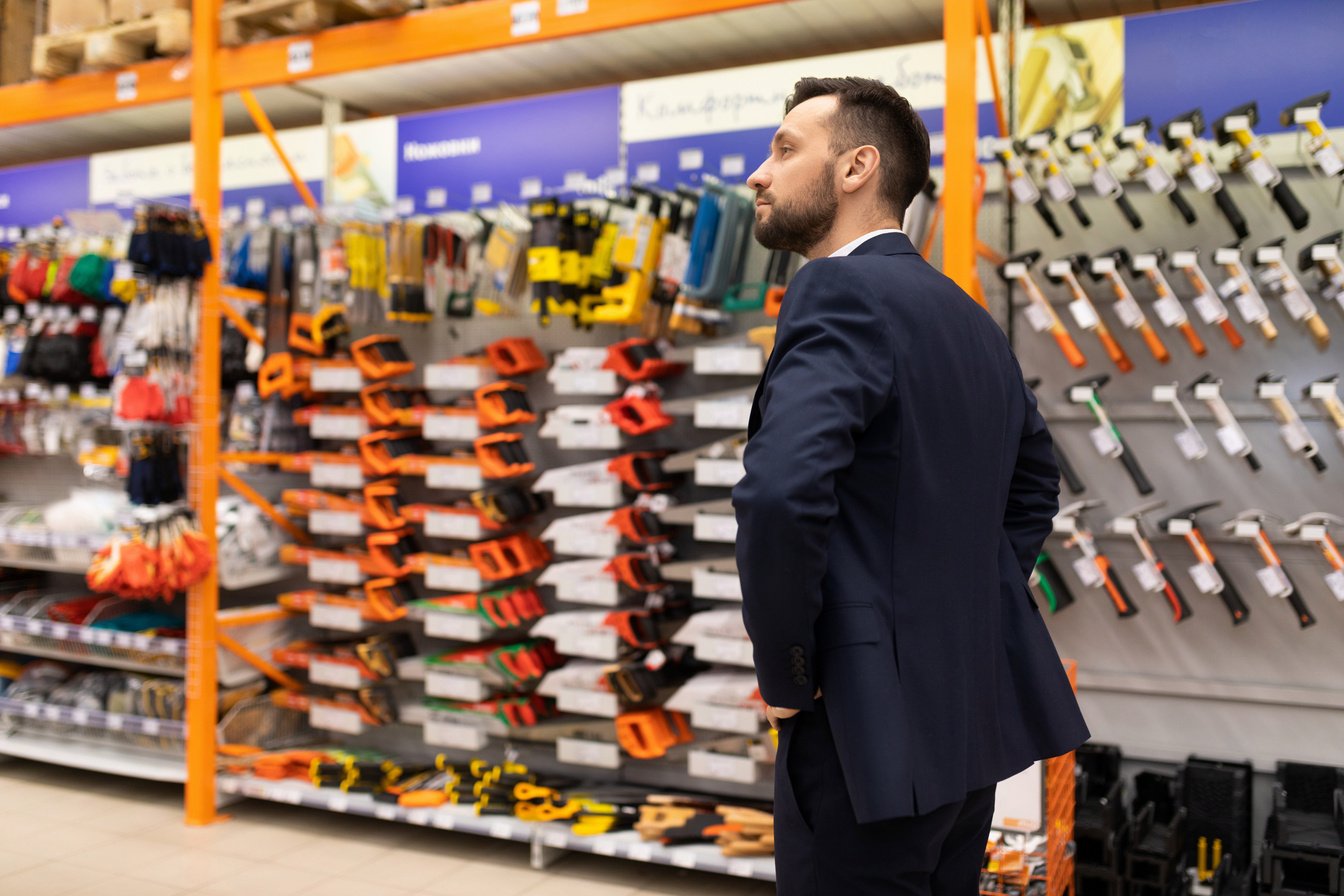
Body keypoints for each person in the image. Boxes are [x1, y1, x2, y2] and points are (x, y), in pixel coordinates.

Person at [732, 76, 1090, 896]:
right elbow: (1035, 484)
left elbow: (782, 495)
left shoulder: (835, 291)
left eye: (785, 150)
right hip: (964, 723)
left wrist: (787, 674)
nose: (759, 173)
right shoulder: (964, 313)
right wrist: (947, 608)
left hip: (861, 732)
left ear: (857, 167)